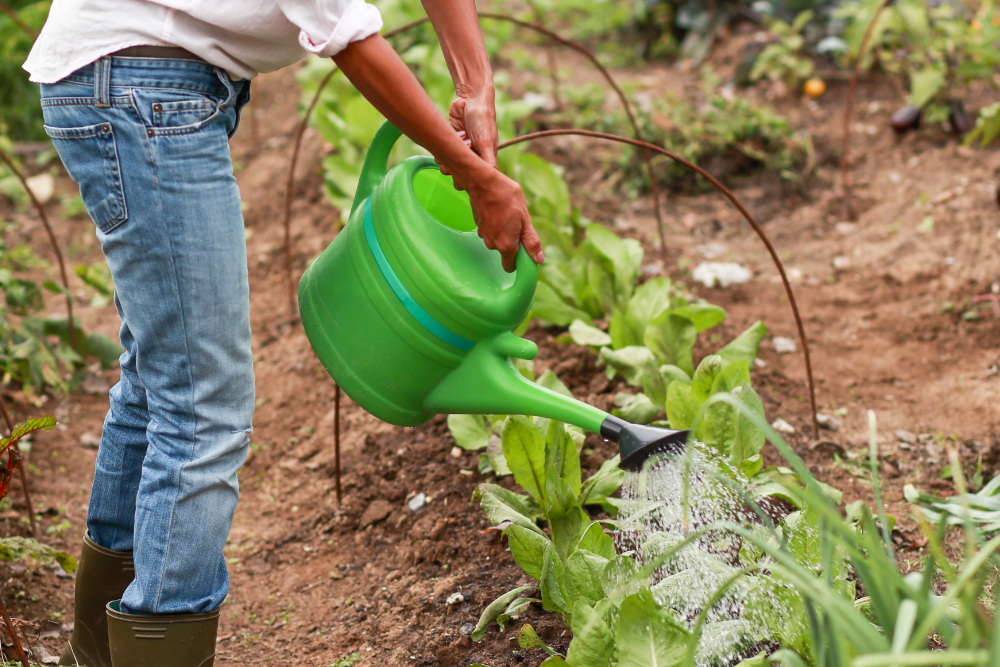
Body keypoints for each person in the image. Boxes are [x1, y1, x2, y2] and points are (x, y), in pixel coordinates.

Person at [24, 1, 544, 665]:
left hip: (132, 80)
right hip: (141, 88)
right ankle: (149, 639)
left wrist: (476, 85)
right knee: (202, 404)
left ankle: (98, 653)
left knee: (161, 382)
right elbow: (346, 37)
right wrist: (473, 174)